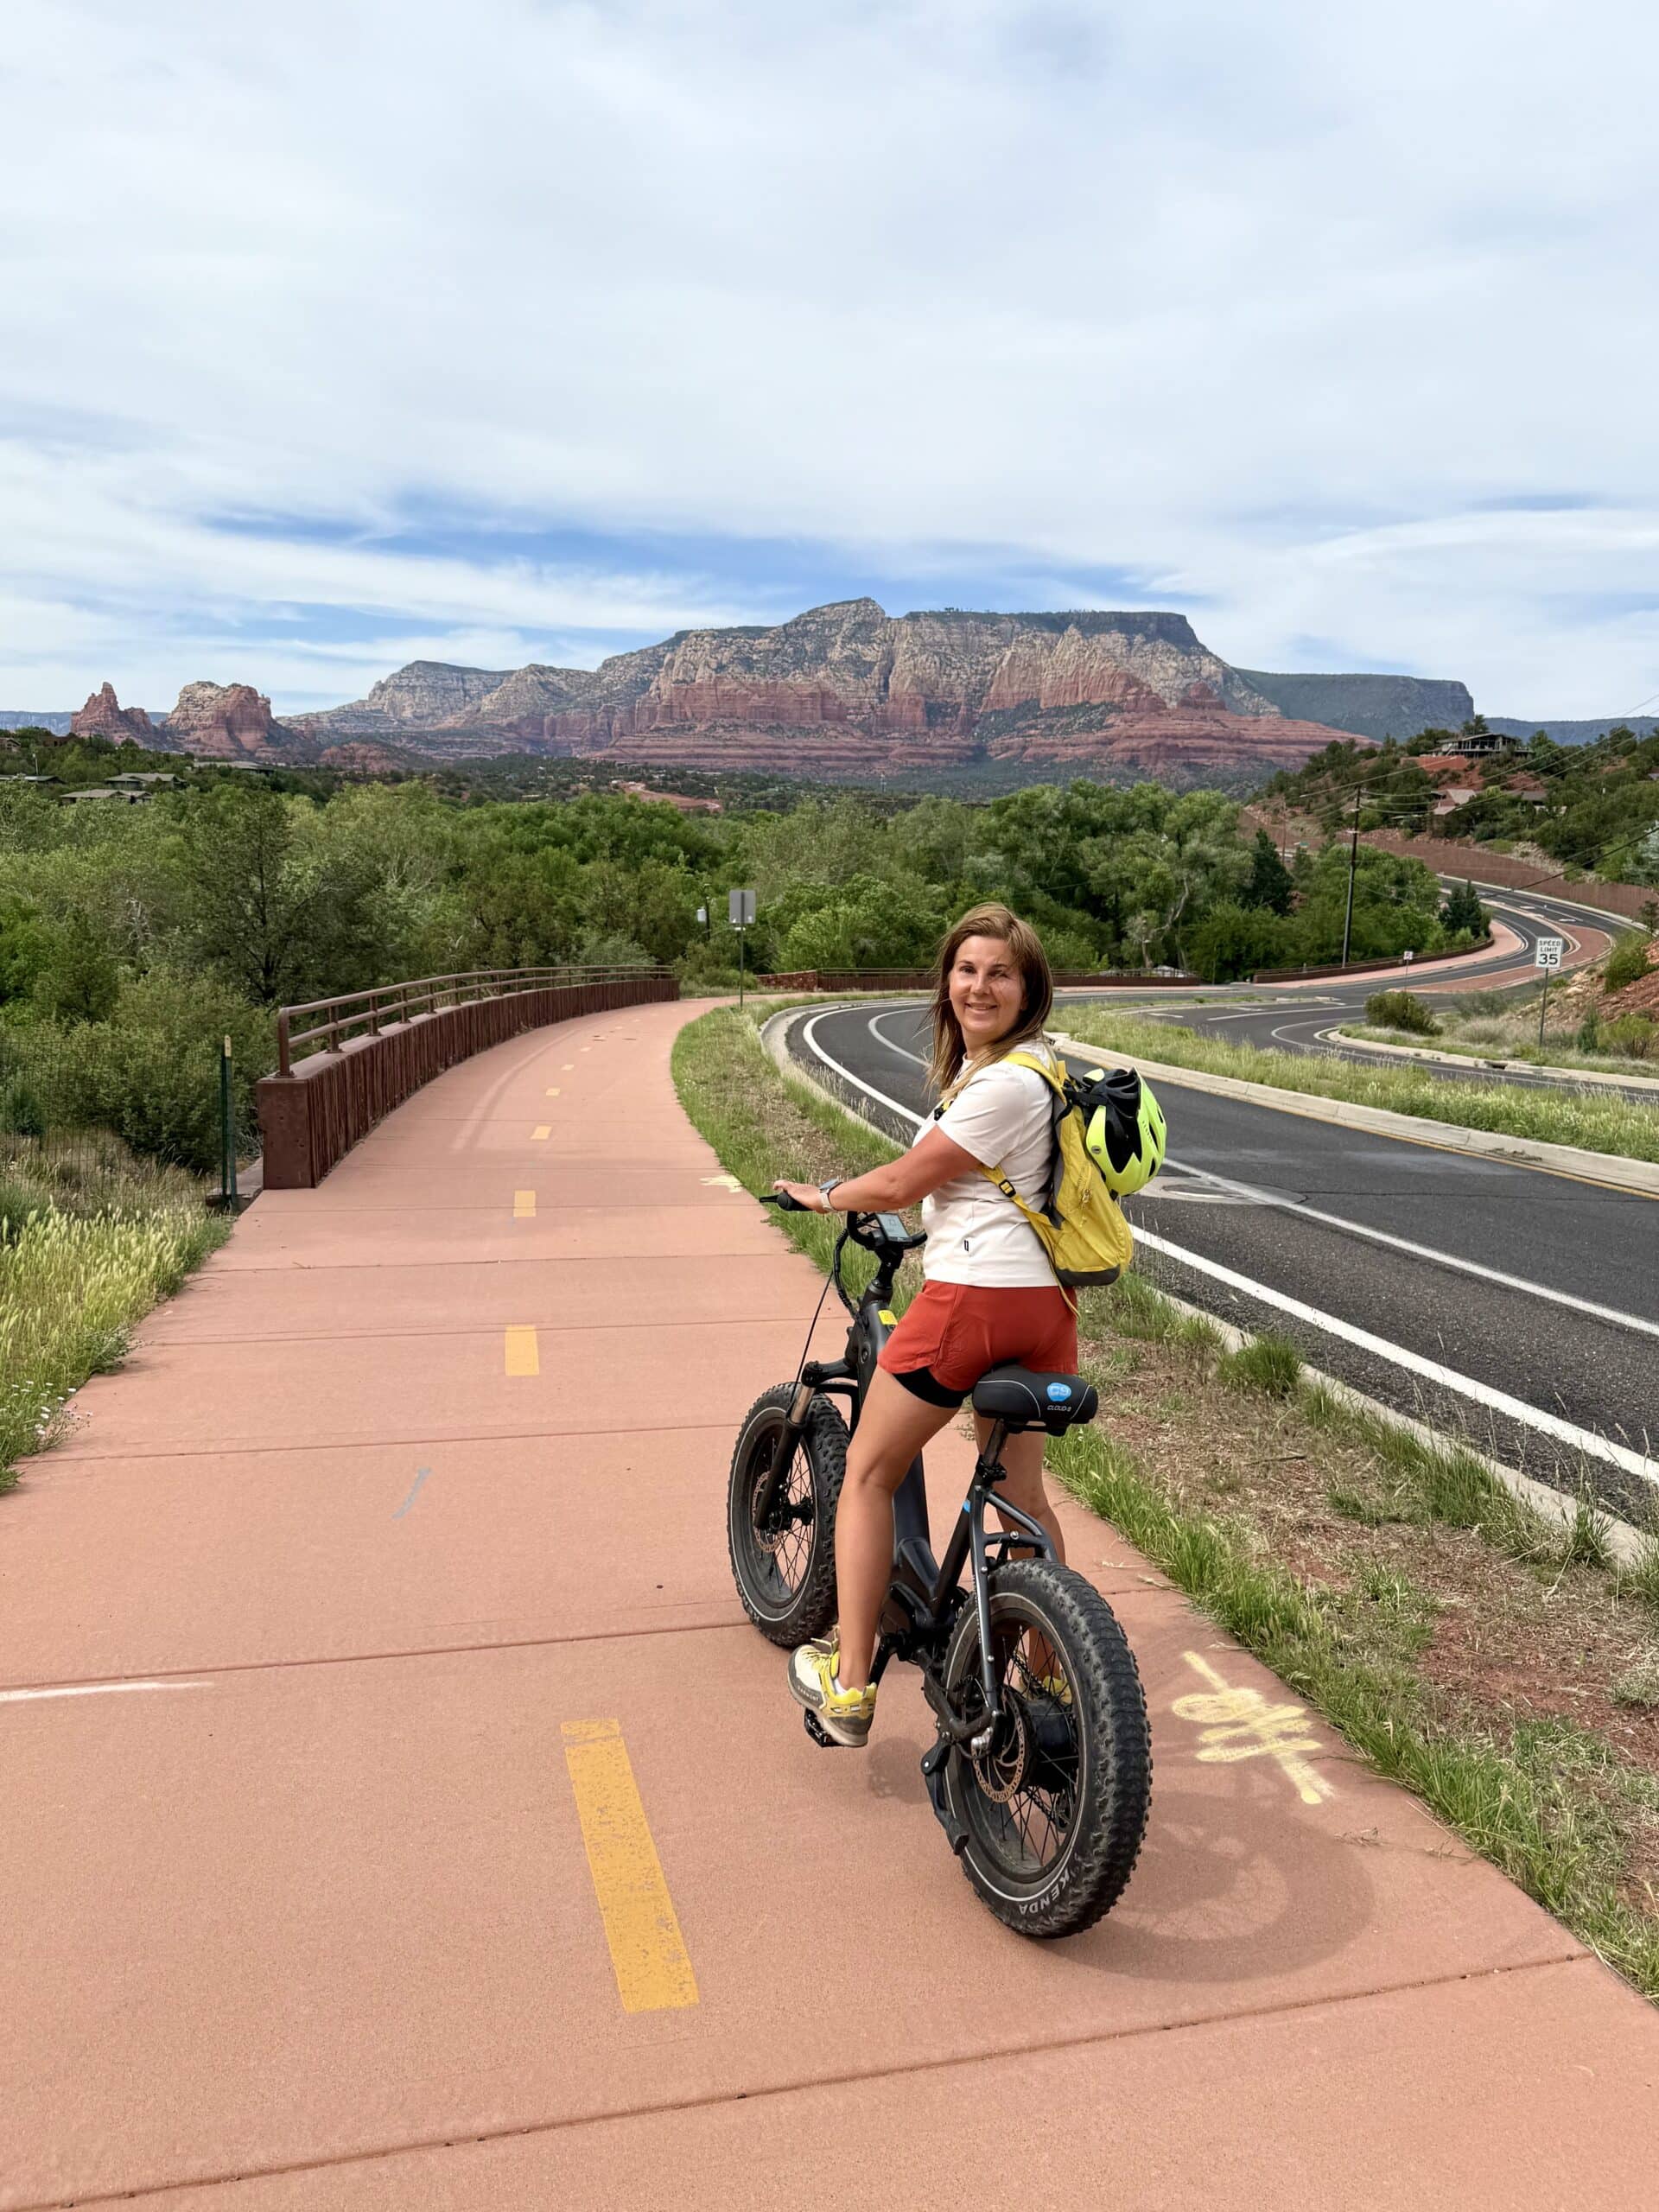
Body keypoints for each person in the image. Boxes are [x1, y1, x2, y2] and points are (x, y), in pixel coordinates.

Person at [770, 901, 1077, 1747]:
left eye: (999, 973)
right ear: (948, 980)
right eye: (967, 969)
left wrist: (820, 1195)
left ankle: (851, 1684)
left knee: (868, 1471)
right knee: (1020, 1499)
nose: (979, 985)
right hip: (1045, 1310)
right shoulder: (1042, 1071)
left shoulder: (1004, 1083)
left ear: (1028, 988)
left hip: (972, 1304)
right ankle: (1061, 1671)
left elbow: (906, 1183)